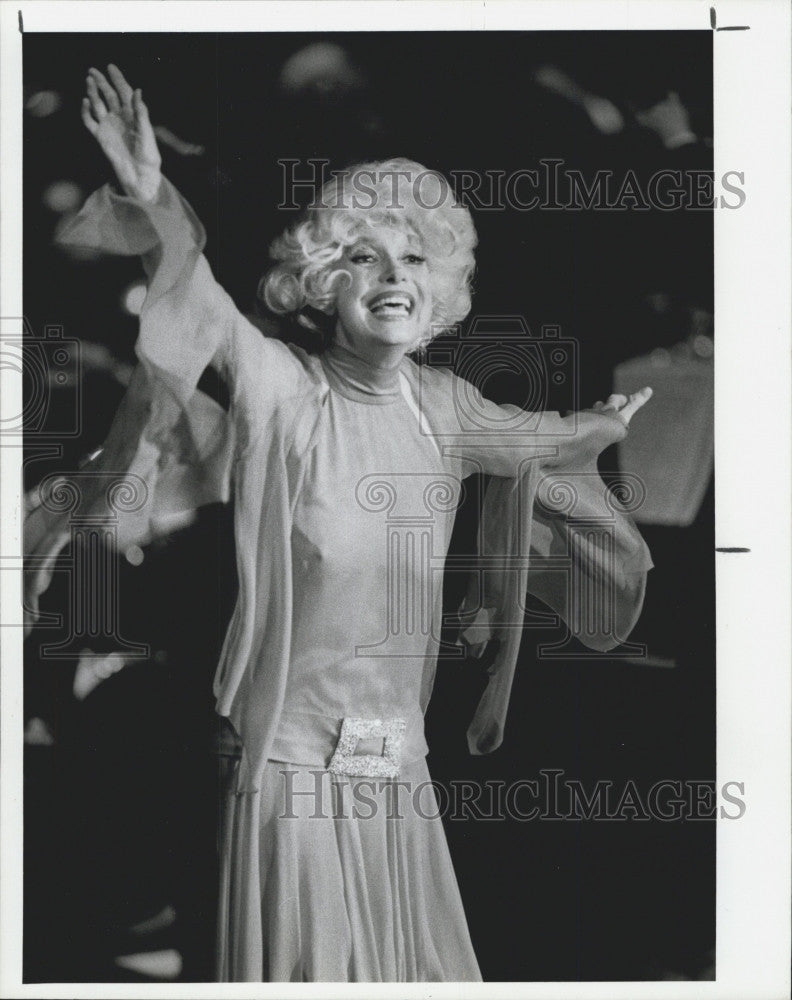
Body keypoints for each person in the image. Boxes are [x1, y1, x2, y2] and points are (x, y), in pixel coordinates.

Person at [25, 65, 653, 983]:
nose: (392, 275)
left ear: (436, 291)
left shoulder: (444, 406)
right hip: (291, 766)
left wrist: (603, 425)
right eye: (362, 256)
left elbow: (542, 442)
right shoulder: (285, 390)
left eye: (410, 258)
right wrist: (152, 191)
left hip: (399, 767)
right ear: (321, 283)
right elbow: (195, 301)